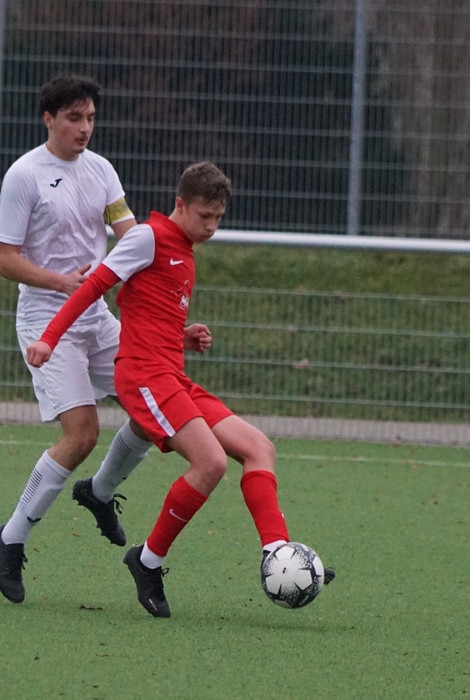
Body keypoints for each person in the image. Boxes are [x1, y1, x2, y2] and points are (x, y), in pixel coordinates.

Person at [27, 161, 333, 618]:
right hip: (144, 376)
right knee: (211, 463)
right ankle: (147, 562)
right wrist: (49, 338)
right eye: (204, 215)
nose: (211, 226)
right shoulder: (148, 237)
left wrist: (183, 336)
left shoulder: (184, 249)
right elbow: (94, 287)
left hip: (172, 375)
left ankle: (278, 553)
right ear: (180, 205)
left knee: (259, 448)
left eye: (218, 218)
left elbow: (146, 308)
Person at [0, 74, 156, 604]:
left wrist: (140, 273)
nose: (84, 128)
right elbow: (5, 259)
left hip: (96, 316)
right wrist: (63, 282)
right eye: (74, 118)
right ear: (49, 119)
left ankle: (99, 492)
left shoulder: (101, 170)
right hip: (46, 320)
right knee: (81, 434)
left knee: (153, 407)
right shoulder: (24, 175)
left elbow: (129, 237)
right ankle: (10, 538)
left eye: (90, 119)